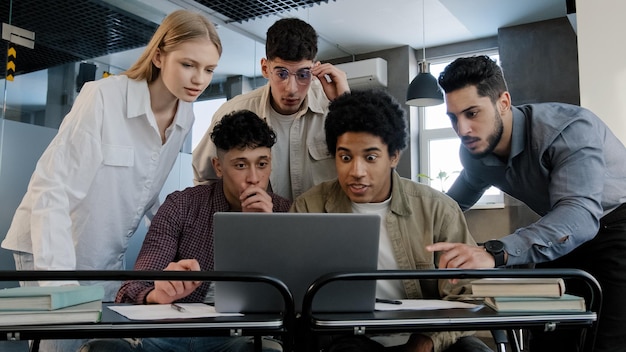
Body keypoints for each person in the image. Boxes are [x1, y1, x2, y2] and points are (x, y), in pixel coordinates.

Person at [1, 9, 222, 352]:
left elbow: (147, 194)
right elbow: (52, 190)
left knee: (99, 346)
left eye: (209, 69)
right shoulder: (104, 97)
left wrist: (183, 237)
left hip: (107, 253)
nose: (199, 79)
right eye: (188, 64)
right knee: (59, 346)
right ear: (160, 56)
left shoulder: (185, 114)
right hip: (54, 245)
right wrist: (62, 286)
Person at [428, 55, 626, 352]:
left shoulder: (568, 128)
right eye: (453, 118)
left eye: (472, 113)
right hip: (562, 233)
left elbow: (580, 214)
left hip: (615, 226)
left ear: (503, 102)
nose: (463, 129)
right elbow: (451, 204)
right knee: (548, 336)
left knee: (608, 341)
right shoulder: (475, 153)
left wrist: (495, 252)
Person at [291, 90, 492, 352]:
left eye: (371, 157)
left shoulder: (437, 209)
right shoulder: (309, 208)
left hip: (426, 336)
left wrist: (427, 341)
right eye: (345, 157)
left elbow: (468, 295)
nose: (357, 172)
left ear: (394, 156)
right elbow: (295, 299)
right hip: (349, 337)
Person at [79, 110, 292, 352]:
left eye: (262, 164)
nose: (254, 178)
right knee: (102, 349)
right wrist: (158, 294)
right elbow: (131, 288)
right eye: (240, 165)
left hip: (241, 336)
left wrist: (265, 231)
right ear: (218, 167)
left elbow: (291, 299)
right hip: (171, 331)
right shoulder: (183, 205)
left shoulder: (286, 213)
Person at [192, 17, 350, 201]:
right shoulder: (233, 112)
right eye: (282, 73)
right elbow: (205, 181)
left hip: (327, 228)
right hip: (257, 227)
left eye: (303, 74)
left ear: (315, 70)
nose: (291, 88)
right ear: (265, 69)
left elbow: (370, 169)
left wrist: (346, 105)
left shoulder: (336, 108)